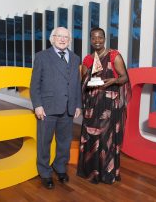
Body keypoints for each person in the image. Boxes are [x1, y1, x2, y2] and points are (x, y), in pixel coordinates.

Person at [77, 27, 131, 184]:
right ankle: (91, 171)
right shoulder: (88, 59)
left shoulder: (114, 55)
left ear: (105, 38)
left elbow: (125, 78)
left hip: (109, 105)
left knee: (107, 137)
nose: (97, 40)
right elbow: (84, 81)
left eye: (100, 37)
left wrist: (113, 80)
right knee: (91, 137)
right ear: (90, 40)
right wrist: (89, 83)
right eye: (93, 38)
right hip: (92, 104)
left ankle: (107, 173)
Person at [30, 27, 81, 189]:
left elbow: (76, 84)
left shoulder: (74, 58)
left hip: (68, 108)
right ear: (52, 39)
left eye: (66, 37)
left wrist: (78, 104)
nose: (62, 39)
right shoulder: (41, 57)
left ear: (70, 40)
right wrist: (37, 105)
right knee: (44, 142)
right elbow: (34, 84)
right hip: (47, 107)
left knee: (64, 142)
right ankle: (45, 172)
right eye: (59, 36)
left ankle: (60, 167)